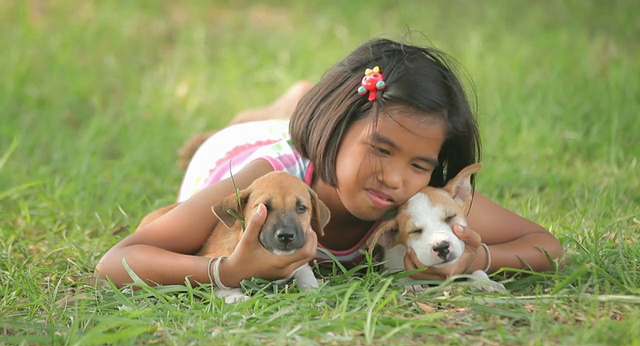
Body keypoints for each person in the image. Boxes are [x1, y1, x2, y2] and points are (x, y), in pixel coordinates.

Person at [96, 38, 564, 288]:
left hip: (319, 143)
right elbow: (116, 262)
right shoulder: (259, 179)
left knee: (308, 121)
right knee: (272, 127)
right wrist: (226, 271)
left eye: (420, 164)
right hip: (241, 155)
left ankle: (295, 104)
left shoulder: (418, 204)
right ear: (338, 127)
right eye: (380, 149)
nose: (397, 178)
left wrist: (472, 259)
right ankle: (269, 112)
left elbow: (548, 247)